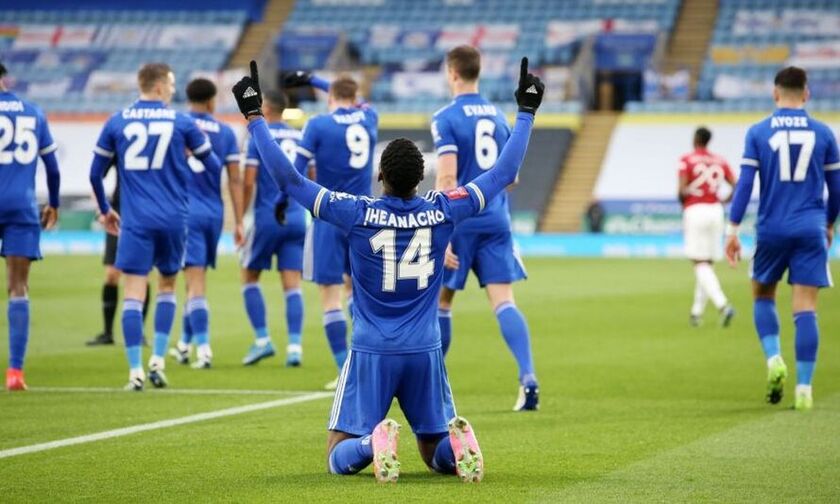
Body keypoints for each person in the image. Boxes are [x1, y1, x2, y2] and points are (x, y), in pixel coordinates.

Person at [232, 58, 543, 483]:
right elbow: (504, 172)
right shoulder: (443, 209)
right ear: (422, 178)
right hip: (425, 350)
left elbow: (289, 180)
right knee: (431, 446)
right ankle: (455, 453)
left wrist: (254, 118)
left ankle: (369, 443)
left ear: (380, 175)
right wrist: (526, 112)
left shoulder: (356, 212)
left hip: (371, 349)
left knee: (336, 453)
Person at [88, 63, 222, 391]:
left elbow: (95, 173)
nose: (174, 90)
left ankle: (134, 371)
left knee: (133, 292)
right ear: (160, 87)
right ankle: (158, 361)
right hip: (175, 219)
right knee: (166, 286)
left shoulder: (117, 121)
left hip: (135, 220)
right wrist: (185, 159)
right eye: (171, 84)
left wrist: (106, 210)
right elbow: (214, 165)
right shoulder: (182, 121)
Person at [725, 66, 840, 411]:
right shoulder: (824, 133)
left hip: (772, 228)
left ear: (775, 95)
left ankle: (774, 358)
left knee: (762, 294)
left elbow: (745, 185)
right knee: (806, 308)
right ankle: (804, 389)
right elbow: (836, 188)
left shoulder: (758, 132)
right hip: (810, 227)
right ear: (806, 95)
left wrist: (732, 230)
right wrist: (830, 223)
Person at [430, 45, 538, 411]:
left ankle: (435, 385)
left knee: (442, 302)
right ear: (478, 72)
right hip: (495, 217)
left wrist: (439, 230)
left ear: (452, 72)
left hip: (459, 221)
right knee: (504, 301)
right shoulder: (498, 115)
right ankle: (528, 379)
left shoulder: (445, 117)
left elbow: (446, 177)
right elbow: (512, 176)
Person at [281, 70, 378, 389]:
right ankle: (367, 363)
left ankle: (345, 371)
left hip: (329, 214)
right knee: (359, 293)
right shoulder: (369, 118)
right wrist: (316, 81)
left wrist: (284, 200)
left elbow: (294, 172)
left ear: (331, 98)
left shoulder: (318, 124)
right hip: (364, 216)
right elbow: (355, 100)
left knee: (329, 296)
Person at [168, 77, 244, 369]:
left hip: (184, 212)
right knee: (195, 280)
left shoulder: (177, 125)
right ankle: (185, 345)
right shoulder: (225, 132)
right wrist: (238, 221)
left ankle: (204, 349)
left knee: (194, 282)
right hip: (213, 212)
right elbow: (234, 178)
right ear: (212, 101)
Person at [0, 62, 61, 391]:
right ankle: (15, 373)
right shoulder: (32, 113)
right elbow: (52, 166)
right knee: (18, 287)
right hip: (21, 207)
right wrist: (53, 202)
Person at [238, 90, 307, 367]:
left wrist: (241, 217)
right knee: (292, 284)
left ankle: (263, 340)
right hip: (297, 218)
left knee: (249, 276)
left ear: (265, 107)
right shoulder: (300, 137)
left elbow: (248, 180)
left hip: (267, 217)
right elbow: (310, 178)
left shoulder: (259, 136)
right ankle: (295, 347)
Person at [677, 126, 737, 327]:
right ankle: (696, 313)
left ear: (695, 139)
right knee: (706, 264)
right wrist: (725, 200)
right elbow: (736, 184)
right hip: (715, 210)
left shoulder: (686, 160)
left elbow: (681, 189)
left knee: (699, 262)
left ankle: (723, 305)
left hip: (696, 209)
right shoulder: (720, 161)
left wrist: (684, 202)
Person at [86, 165, 150, 346]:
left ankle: (139, 332)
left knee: (143, 276)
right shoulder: (119, 140)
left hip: (146, 215)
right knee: (112, 275)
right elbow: (96, 174)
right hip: (118, 215)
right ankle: (107, 333)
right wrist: (101, 209)